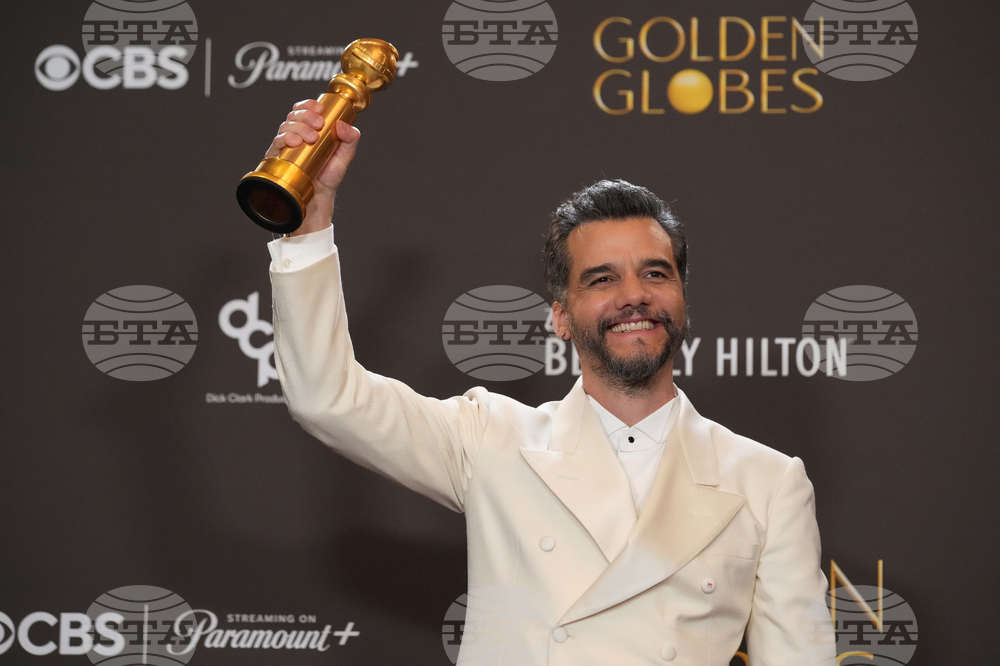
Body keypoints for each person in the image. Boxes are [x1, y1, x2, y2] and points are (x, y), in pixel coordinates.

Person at [264, 99, 835, 665]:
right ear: (560, 315)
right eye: (602, 278)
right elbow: (326, 397)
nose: (634, 295)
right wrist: (309, 227)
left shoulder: (769, 482)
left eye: (655, 273)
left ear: (682, 300)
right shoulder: (492, 437)